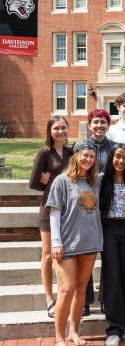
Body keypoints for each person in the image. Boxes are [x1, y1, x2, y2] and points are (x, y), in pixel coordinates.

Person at [46, 140, 103, 346]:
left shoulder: (95, 182)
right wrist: (56, 242)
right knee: (66, 289)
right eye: (84, 155)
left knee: (81, 289)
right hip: (67, 244)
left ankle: (73, 331)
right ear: (76, 157)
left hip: (90, 242)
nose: (88, 159)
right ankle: (59, 338)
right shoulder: (61, 181)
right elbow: (54, 213)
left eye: (92, 156)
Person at [28, 116, 71, 319]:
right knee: (47, 254)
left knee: (65, 254)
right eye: (56, 128)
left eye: (63, 127)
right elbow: (33, 183)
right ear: (50, 130)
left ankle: (64, 296)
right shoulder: (44, 152)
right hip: (48, 209)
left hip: (69, 211)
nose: (60, 131)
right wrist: (44, 183)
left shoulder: (72, 153)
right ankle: (49, 298)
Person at [99, 144, 125, 346]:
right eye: (117, 156)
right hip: (109, 228)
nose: (121, 161)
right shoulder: (101, 180)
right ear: (111, 158)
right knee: (113, 276)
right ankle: (114, 329)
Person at [80, 108, 117, 317]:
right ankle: (84, 301)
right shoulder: (80, 147)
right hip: (85, 209)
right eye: (95, 122)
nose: (99, 125)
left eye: (103, 122)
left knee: (109, 257)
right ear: (89, 124)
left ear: (108, 124)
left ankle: (106, 299)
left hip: (109, 209)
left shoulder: (114, 148)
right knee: (85, 255)